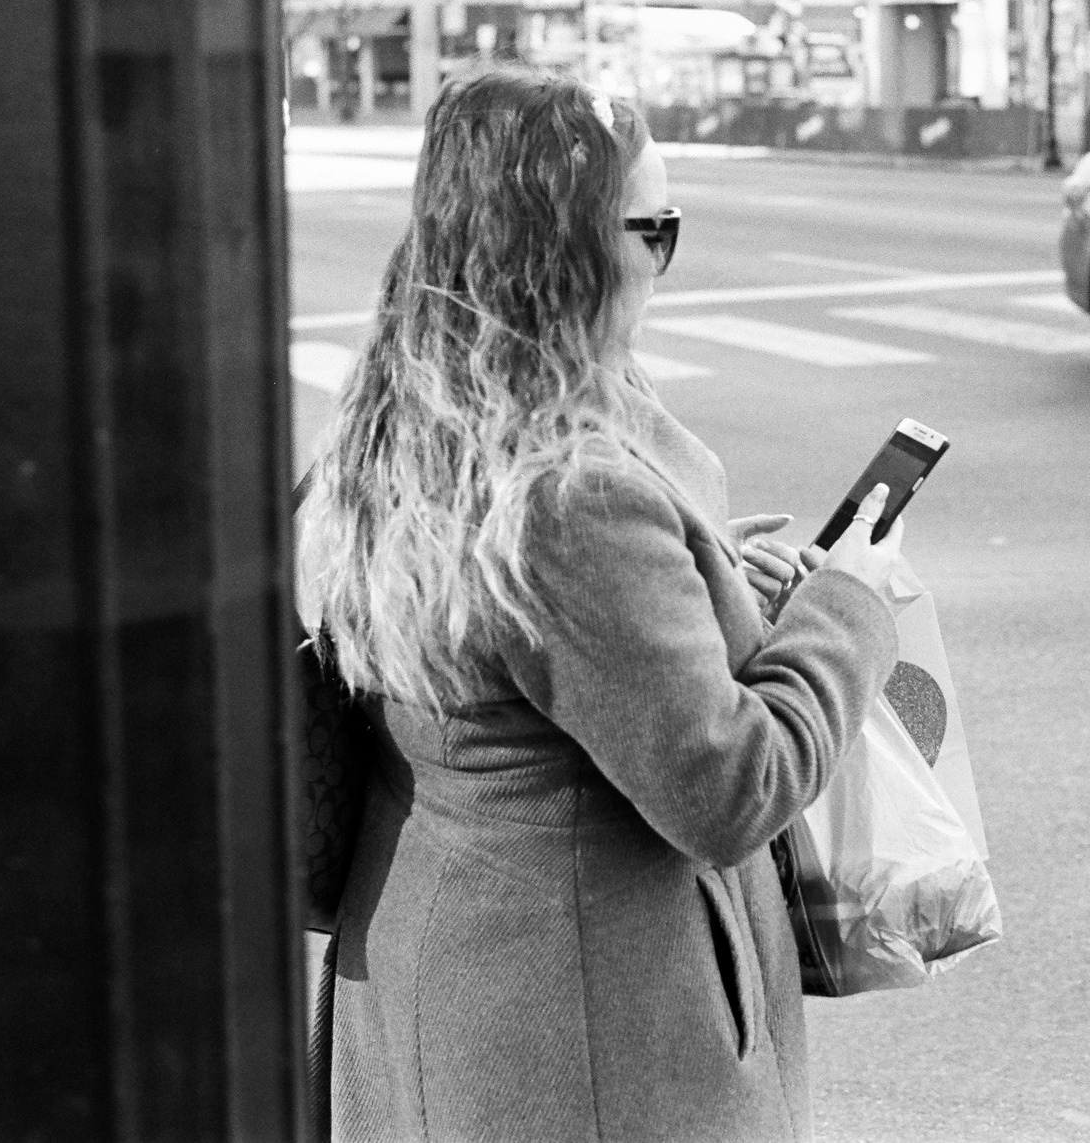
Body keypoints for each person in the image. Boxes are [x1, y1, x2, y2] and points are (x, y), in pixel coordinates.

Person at [295, 67, 907, 1143]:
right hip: (588, 1037)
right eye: (651, 227)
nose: (663, 262)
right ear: (559, 248)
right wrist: (845, 610)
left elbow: (527, 658)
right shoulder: (568, 497)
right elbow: (724, 784)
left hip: (433, 984)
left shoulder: (393, 429)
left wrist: (714, 575)